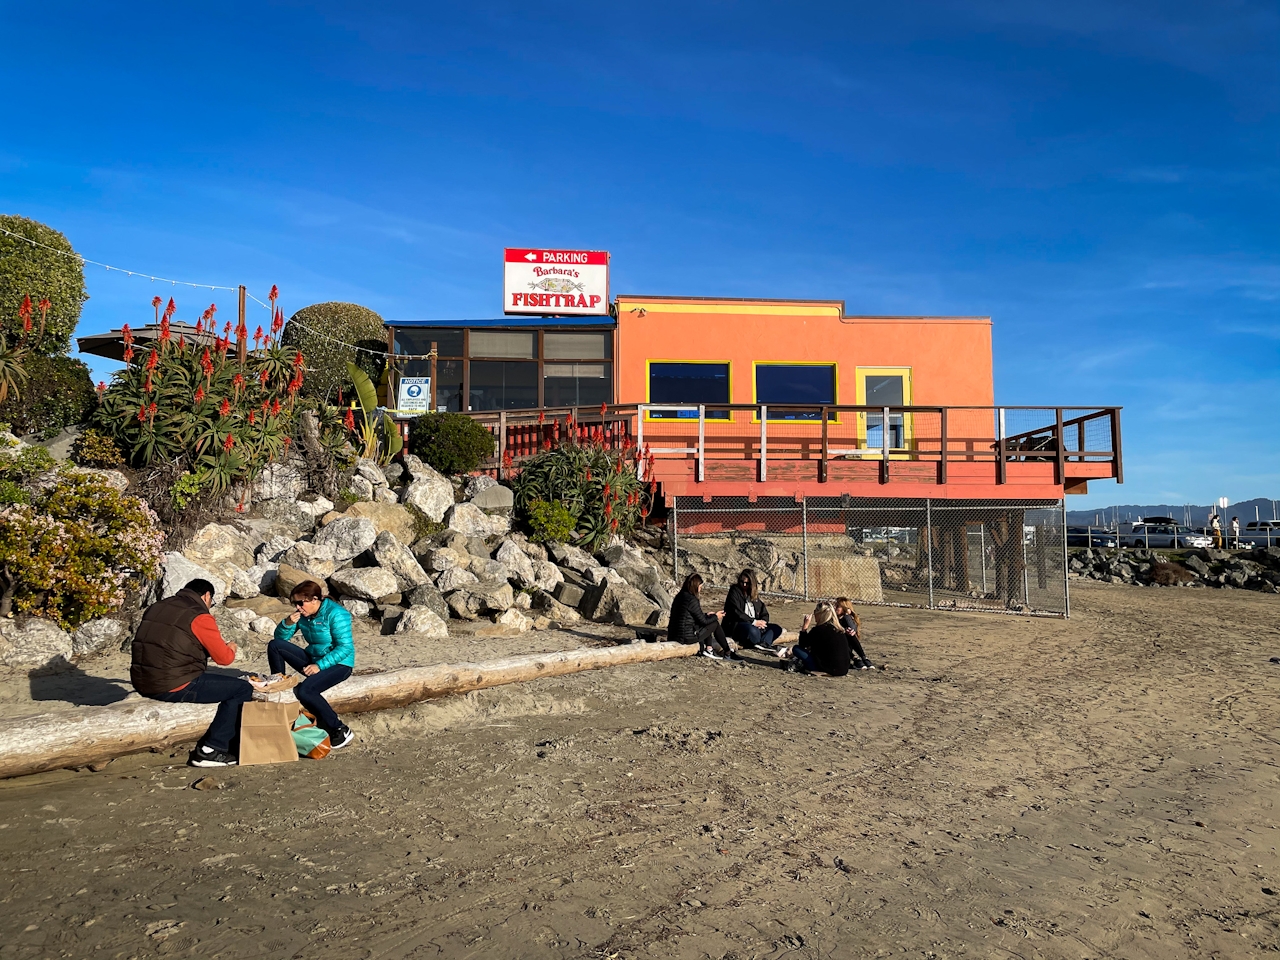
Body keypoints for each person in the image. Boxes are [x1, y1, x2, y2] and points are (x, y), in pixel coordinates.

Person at [130, 578, 252, 767]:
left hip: (141, 680)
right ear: (207, 596)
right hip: (172, 684)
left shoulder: (158, 606)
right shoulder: (200, 616)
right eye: (212, 601)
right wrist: (232, 647)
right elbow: (224, 659)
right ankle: (212, 749)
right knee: (241, 688)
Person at [269, 581, 356, 749]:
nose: (298, 607)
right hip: (314, 659)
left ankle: (339, 728)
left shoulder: (337, 614)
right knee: (275, 645)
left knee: (305, 690)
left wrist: (320, 666)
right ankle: (278, 682)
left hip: (339, 664)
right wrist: (287, 624)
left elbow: (345, 648)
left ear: (314, 599)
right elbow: (280, 639)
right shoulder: (302, 615)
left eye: (301, 603)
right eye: (295, 603)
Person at [668, 573, 734, 660]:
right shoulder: (692, 600)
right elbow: (703, 621)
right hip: (685, 637)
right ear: (695, 586)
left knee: (710, 619)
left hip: (674, 634)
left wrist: (707, 615)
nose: (701, 589)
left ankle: (709, 648)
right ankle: (727, 652)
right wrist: (716, 616)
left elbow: (690, 616)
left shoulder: (680, 596)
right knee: (714, 623)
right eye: (700, 586)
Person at [782, 601, 852, 677]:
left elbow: (802, 645)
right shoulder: (839, 629)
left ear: (820, 614)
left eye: (815, 612)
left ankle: (805, 666)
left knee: (796, 649)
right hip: (843, 669)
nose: (814, 614)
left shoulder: (818, 630)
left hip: (828, 669)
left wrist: (805, 627)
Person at [722, 569, 784, 653]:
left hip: (755, 625)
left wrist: (763, 622)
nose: (744, 585)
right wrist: (754, 622)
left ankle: (763, 643)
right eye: (742, 582)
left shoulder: (754, 595)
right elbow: (737, 612)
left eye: (747, 583)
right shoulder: (734, 591)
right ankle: (761, 641)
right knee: (753, 631)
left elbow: (764, 612)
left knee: (776, 628)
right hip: (737, 625)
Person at [834, 597, 876, 670]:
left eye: (837, 606)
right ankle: (856, 658)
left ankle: (863, 658)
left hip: (847, 647)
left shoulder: (847, 618)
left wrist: (847, 615)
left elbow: (853, 627)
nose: (835, 608)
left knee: (850, 634)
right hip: (839, 648)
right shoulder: (834, 618)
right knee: (841, 636)